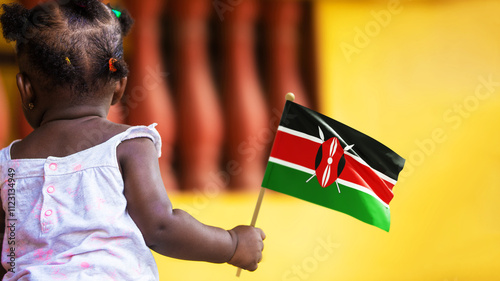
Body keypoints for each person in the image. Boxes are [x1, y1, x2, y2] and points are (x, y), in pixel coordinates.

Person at [0, 0, 265, 280]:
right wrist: (232, 245)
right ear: (120, 87)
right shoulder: (128, 145)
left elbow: (8, 253)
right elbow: (160, 227)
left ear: (25, 89)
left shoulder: (7, 164)